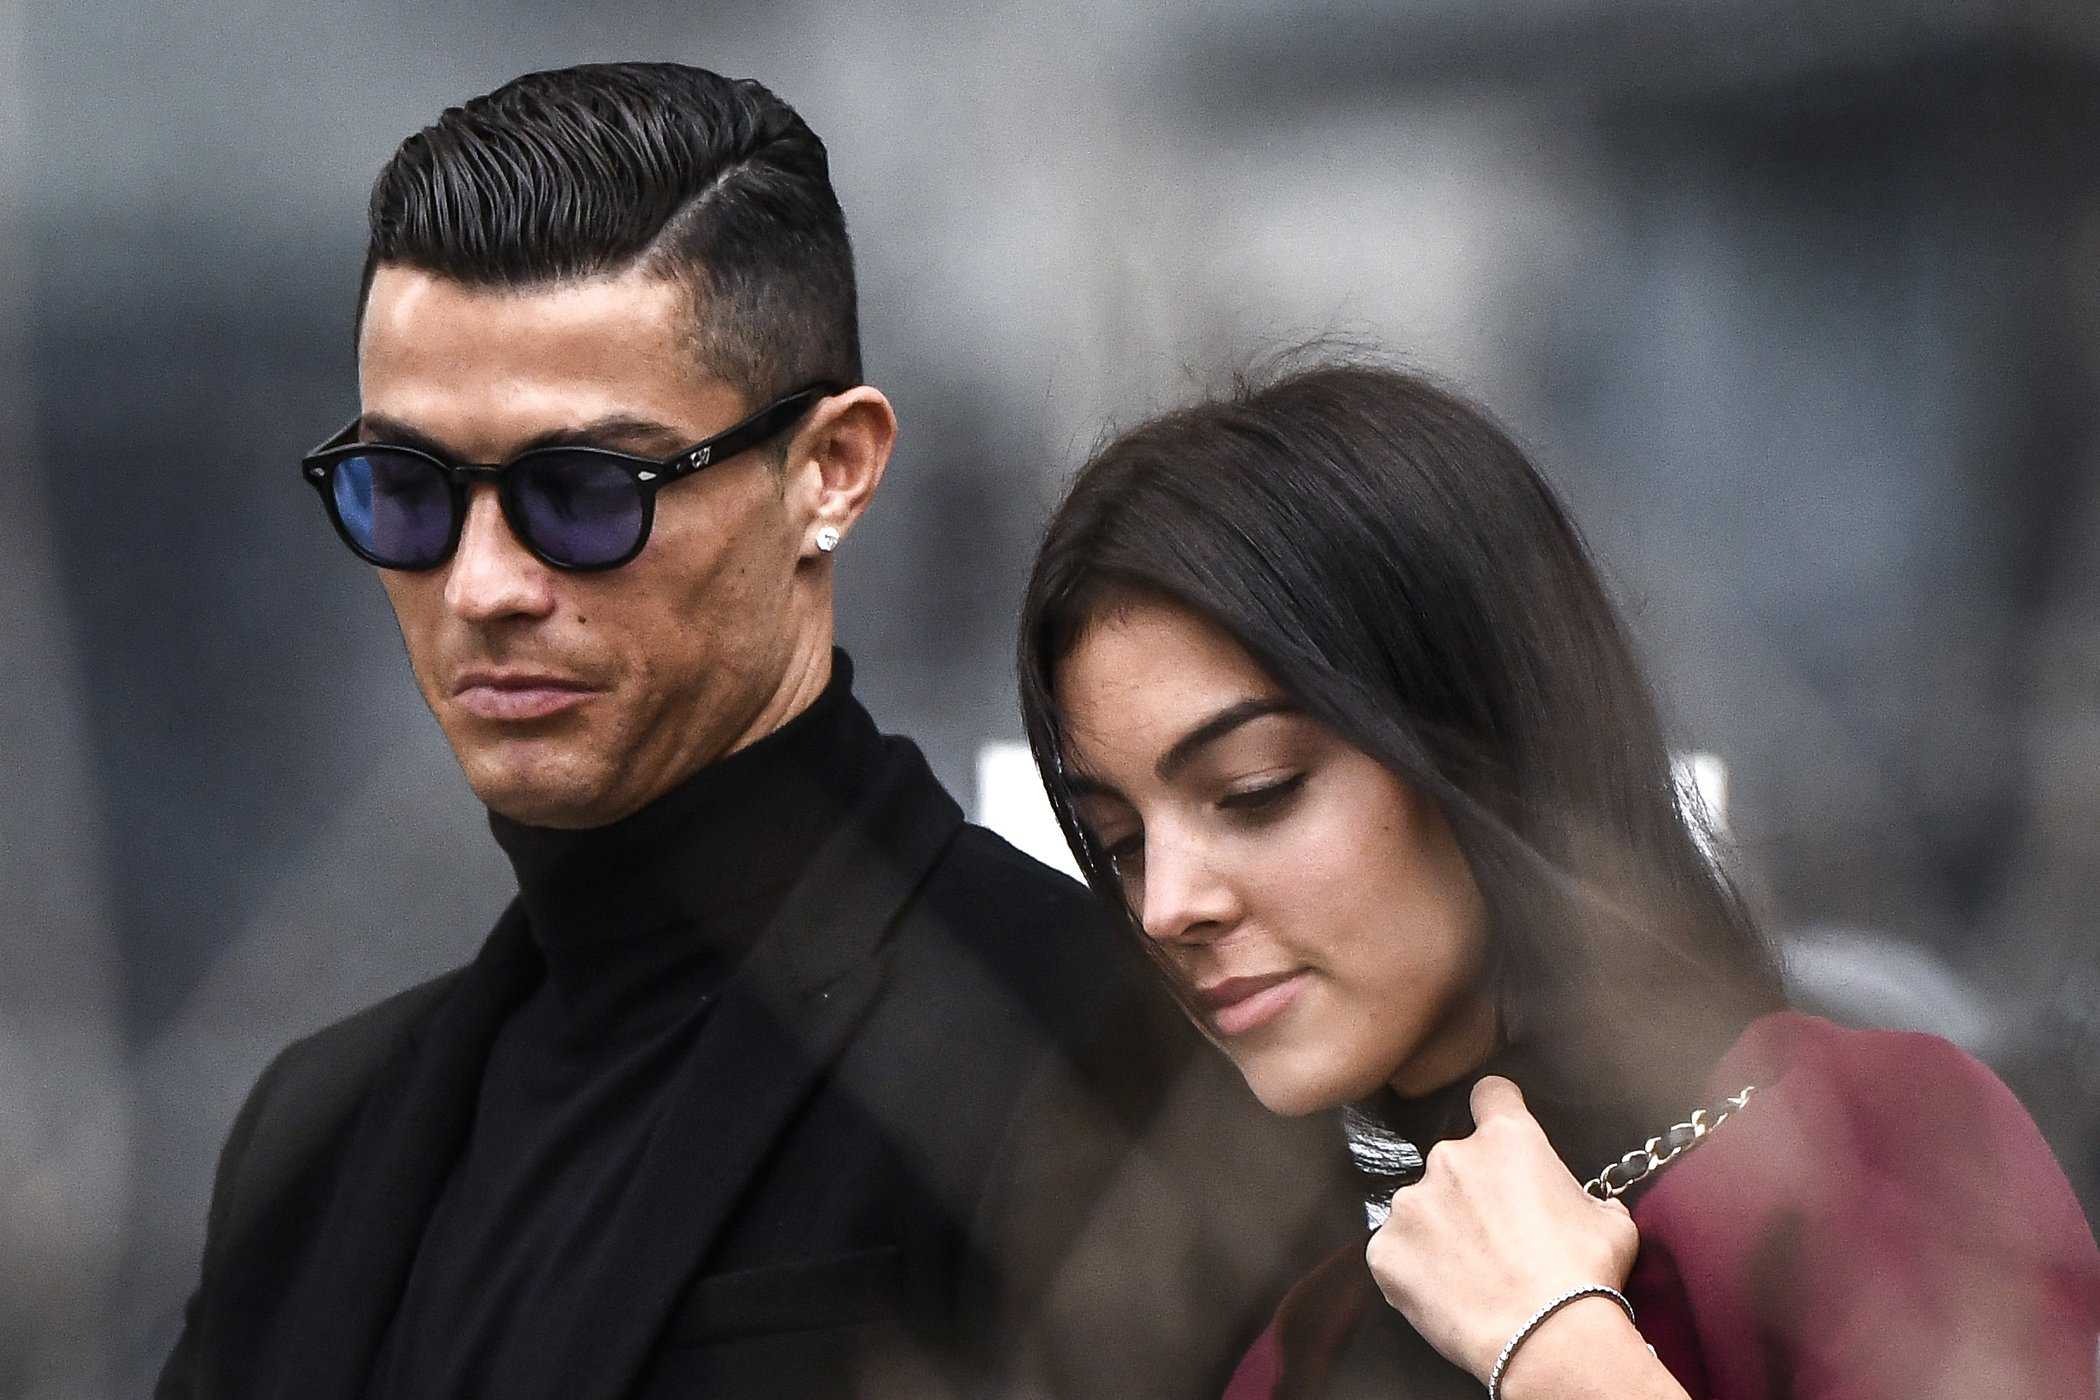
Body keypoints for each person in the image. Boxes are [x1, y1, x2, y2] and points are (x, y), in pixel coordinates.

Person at [158, 64, 1346, 1400]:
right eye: (407, 489)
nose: (483, 585)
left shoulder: (1086, 1041)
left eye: (586, 491)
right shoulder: (314, 1136)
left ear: (831, 470)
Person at [1016, 360, 2100, 1398]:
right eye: (1121, 841)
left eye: (1257, 791)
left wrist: (1562, 1353)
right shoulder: (1311, 1342)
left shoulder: (1868, 1147)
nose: (1168, 906)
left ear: (1481, 738)